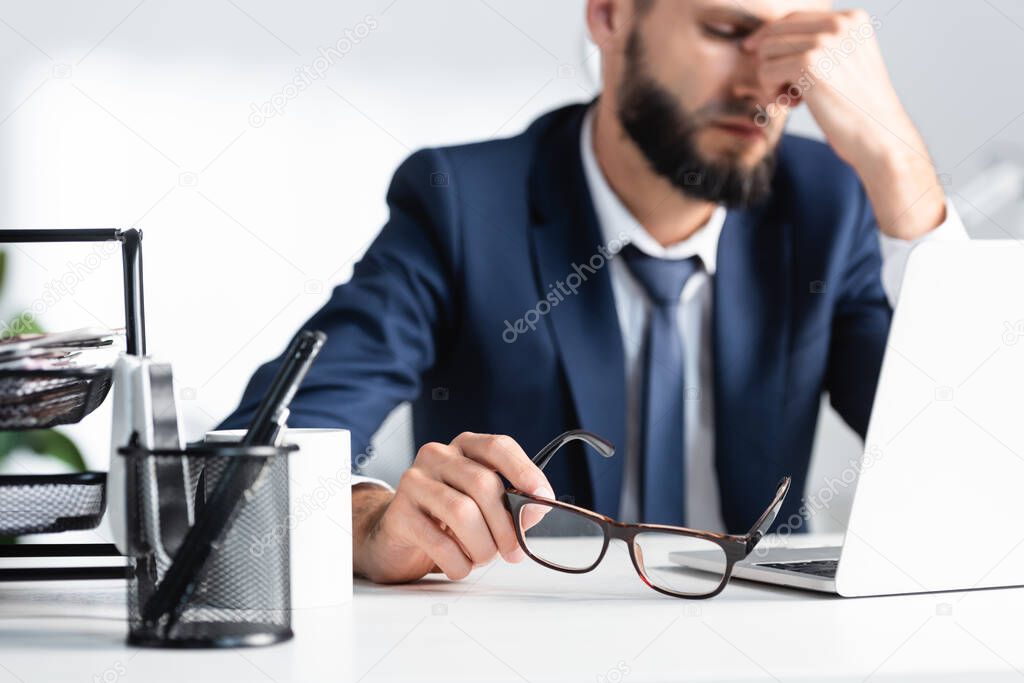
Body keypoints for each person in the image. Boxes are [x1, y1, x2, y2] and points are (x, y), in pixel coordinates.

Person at [220, 0, 967, 584]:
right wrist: (367, 522)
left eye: (795, 47)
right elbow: (244, 459)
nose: (767, 85)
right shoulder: (462, 205)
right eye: (727, 30)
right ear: (610, 17)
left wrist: (902, 173)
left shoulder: (829, 207)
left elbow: (984, 459)